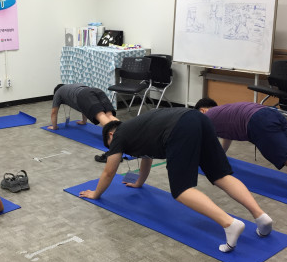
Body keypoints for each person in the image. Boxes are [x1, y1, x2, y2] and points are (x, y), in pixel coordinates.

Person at [79, 108, 273, 253]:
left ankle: (229, 223)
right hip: (197, 118)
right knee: (221, 175)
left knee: (181, 190)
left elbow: (109, 172)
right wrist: (139, 182)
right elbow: (147, 157)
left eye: (110, 146)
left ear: (110, 135)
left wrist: (96, 194)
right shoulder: (136, 129)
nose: (114, 150)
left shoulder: (118, 135)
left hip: (180, 128)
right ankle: (261, 217)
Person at [48, 84, 120, 163]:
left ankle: (119, 141)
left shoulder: (58, 93)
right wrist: (84, 121)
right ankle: (126, 134)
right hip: (97, 91)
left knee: (101, 116)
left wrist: (54, 127)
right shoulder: (73, 87)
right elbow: (84, 106)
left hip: (85, 95)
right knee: (109, 115)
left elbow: (54, 112)